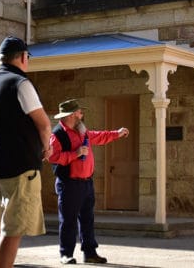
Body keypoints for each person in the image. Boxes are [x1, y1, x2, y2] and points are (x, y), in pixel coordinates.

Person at [0, 36, 51, 268]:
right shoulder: (20, 83)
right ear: (22, 57)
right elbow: (43, 123)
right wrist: (47, 147)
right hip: (20, 168)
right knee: (12, 232)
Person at [48, 99, 129, 264]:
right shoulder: (57, 135)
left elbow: (98, 136)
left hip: (86, 183)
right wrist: (75, 154)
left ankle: (90, 253)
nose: (81, 114)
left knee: (87, 219)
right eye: (79, 112)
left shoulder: (82, 131)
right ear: (71, 115)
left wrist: (117, 133)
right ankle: (66, 254)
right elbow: (53, 158)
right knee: (68, 221)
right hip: (69, 184)